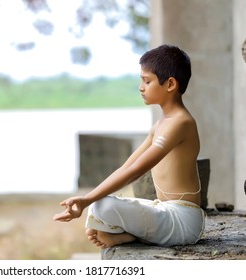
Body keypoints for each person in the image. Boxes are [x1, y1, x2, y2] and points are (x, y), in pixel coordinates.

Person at [53, 44, 205, 249]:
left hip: (183, 222)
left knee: (101, 206)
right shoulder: (160, 125)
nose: (141, 87)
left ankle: (129, 236)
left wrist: (87, 200)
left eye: (147, 81)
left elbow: (135, 171)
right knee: (100, 205)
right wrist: (85, 201)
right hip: (164, 211)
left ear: (170, 84)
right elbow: (126, 167)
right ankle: (127, 235)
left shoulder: (181, 123)